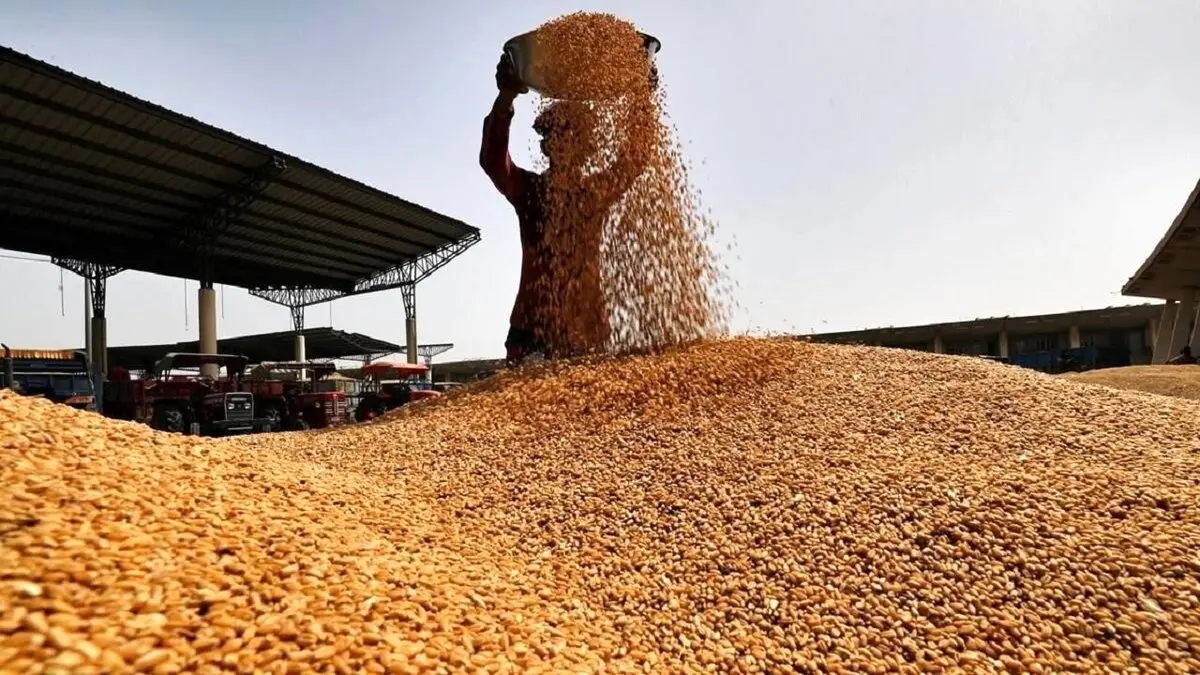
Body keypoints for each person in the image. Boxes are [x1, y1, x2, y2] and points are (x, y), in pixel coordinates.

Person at [480, 52, 655, 367]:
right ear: (546, 145)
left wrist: (642, 99)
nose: (565, 144)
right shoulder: (529, 190)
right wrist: (506, 98)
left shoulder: (594, 194)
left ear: (588, 146)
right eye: (557, 135)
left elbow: (635, 157)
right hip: (531, 332)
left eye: (575, 136)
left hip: (586, 333)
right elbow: (494, 160)